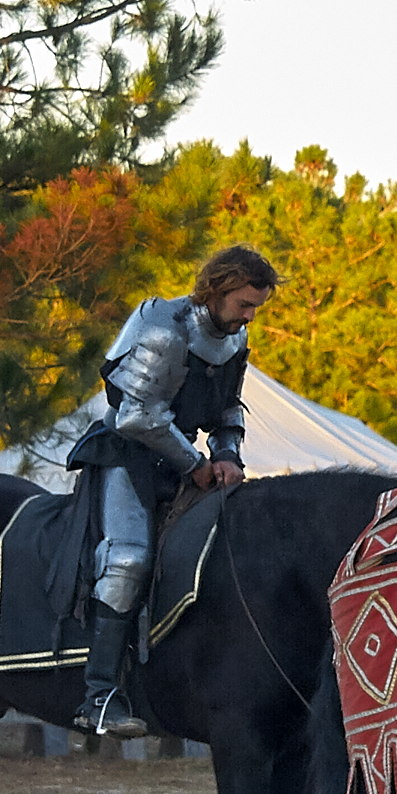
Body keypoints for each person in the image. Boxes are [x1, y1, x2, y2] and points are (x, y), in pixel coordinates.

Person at [66, 245, 280, 736]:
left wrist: (228, 454)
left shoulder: (233, 336)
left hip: (182, 465)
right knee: (129, 560)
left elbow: (228, 408)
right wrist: (197, 464)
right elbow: (135, 415)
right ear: (220, 288)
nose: (250, 316)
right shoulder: (165, 328)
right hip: (127, 458)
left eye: (256, 307)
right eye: (245, 304)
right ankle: (98, 697)